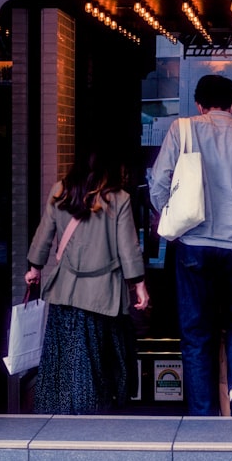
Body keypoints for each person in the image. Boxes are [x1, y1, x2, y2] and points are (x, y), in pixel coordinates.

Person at [149, 74, 232, 416]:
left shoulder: (182, 130)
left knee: (197, 331)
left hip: (193, 244)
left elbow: (158, 185)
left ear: (198, 104)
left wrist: (174, 222)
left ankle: (203, 413)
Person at [23, 147, 150, 415]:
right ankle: (93, 414)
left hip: (66, 293)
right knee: (97, 362)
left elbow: (44, 233)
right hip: (103, 296)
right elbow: (128, 248)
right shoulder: (119, 198)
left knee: (65, 361)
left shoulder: (60, 191)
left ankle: (59, 415)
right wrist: (138, 284)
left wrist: (35, 267)